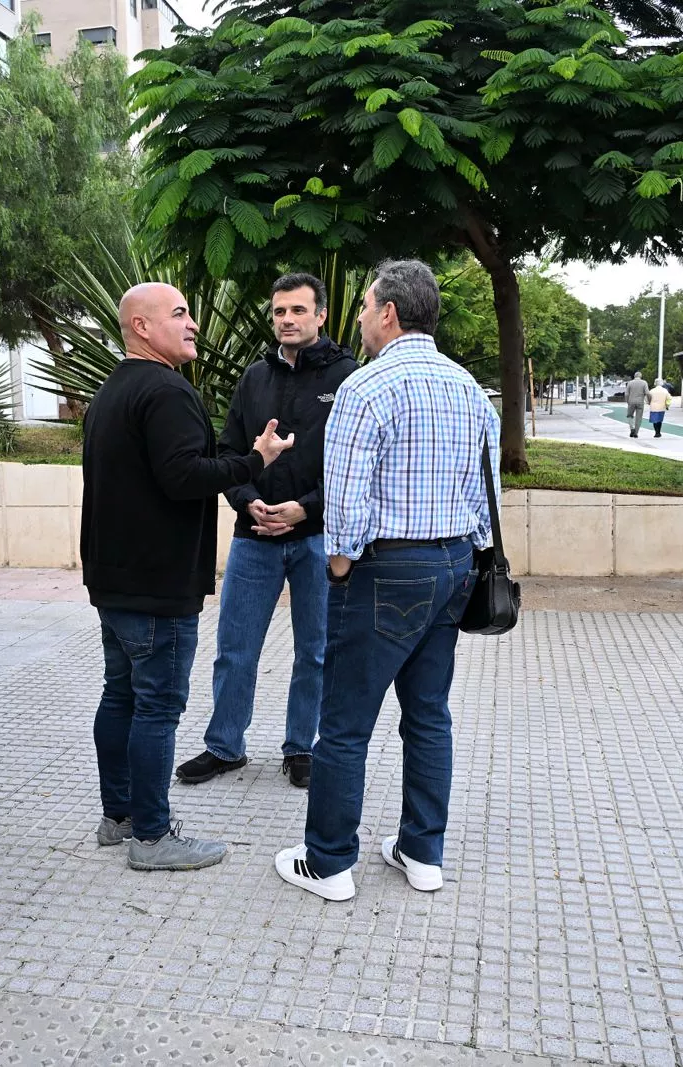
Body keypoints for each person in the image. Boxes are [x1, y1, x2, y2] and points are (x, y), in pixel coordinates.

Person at [273, 259, 497, 903]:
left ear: (389, 313)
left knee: (344, 722)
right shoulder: (468, 389)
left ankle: (329, 863)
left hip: (385, 569)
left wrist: (340, 563)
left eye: (367, 307)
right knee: (429, 715)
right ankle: (422, 854)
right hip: (454, 563)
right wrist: (471, 557)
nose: (363, 319)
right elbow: (490, 493)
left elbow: (345, 497)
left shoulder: (366, 389)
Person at [80, 282, 294, 871]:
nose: (193, 322)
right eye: (179, 313)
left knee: (120, 694)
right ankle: (151, 837)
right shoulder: (167, 391)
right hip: (157, 586)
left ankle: (118, 816)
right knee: (157, 706)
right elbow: (183, 477)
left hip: (116, 581)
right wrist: (257, 460)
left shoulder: (111, 391)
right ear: (142, 327)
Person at [175, 273, 357, 791]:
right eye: (279, 312)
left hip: (317, 537)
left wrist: (304, 510)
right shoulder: (254, 378)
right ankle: (224, 746)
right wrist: (246, 500)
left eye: (298, 311)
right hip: (253, 535)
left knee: (316, 650)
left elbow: (355, 467)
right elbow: (228, 453)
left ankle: (302, 747)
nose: (287, 320)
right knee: (235, 647)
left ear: (320, 315)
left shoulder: (348, 378)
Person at [623, 372, 649, 437]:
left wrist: (627, 401)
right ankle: (636, 432)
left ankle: (632, 428)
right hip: (640, 402)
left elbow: (626, 394)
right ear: (641, 376)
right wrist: (648, 401)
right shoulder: (644, 382)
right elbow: (647, 393)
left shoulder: (630, 383)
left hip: (631, 402)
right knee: (638, 418)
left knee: (629, 415)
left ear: (634, 376)